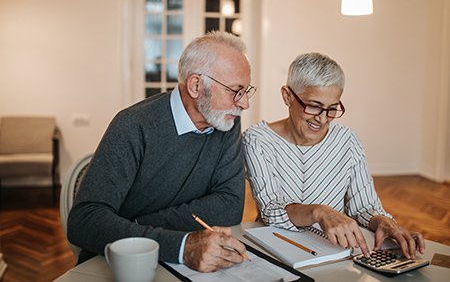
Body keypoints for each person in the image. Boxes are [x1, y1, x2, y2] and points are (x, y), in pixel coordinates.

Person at [67, 31, 257, 272]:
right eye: (235, 91)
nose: (244, 104)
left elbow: (229, 206)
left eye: (246, 91)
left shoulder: (226, 122)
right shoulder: (133, 125)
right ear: (196, 85)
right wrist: (181, 245)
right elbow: (84, 221)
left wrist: (137, 225)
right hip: (120, 265)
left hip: (183, 262)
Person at [243, 52, 425, 259]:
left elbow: (365, 206)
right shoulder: (258, 140)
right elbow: (271, 210)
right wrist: (319, 212)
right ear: (287, 96)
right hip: (277, 248)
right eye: (314, 106)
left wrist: (384, 222)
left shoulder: (347, 140)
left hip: (335, 250)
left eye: (332, 109)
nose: (322, 119)